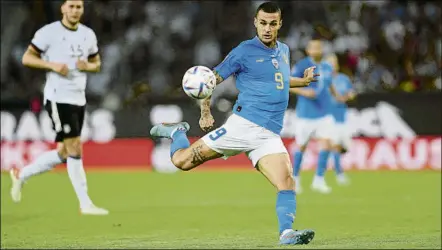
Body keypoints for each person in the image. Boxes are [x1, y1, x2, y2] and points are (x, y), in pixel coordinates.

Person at [150, 2, 317, 245]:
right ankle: (177, 132)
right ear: (255, 23)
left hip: (269, 134)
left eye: (272, 24)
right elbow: (210, 79)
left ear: (280, 24)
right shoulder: (243, 51)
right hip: (243, 126)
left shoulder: (284, 50)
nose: (267, 29)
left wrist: (303, 81)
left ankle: (286, 233)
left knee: (287, 181)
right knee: (181, 161)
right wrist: (205, 112)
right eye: (263, 23)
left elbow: (277, 79)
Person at [10, 0, 108, 216]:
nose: (74, 10)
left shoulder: (88, 34)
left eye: (78, 7)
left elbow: (97, 63)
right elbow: (27, 58)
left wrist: (88, 67)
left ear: (82, 10)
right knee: (75, 147)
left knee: (64, 152)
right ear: (63, 8)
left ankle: (21, 175)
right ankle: (85, 204)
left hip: (78, 99)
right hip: (57, 98)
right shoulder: (48, 33)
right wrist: (51, 65)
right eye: (71, 6)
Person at [289, 39, 345, 194]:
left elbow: (329, 84)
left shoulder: (327, 66)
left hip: (324, 114)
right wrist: (304, 91)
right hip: (305, 114)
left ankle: (318, 180)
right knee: (301, 146)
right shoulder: (301, 65)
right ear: (308, 50)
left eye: (319, 47)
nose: (316, 50)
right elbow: (288, 84)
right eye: (313, 47)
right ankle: (296, 179)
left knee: (326, 144)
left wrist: (337, 96)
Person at [325, 54, 356, 185]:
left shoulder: (344, 79)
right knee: (336, 146)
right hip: (329, 118)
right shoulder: (323, 80)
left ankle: (331, 163)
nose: (333, 65)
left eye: (334, 62)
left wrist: (347, 96)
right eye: (330, 63)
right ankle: (339, 173)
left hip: (342, 116)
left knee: (345, 146)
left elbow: (352, 93)